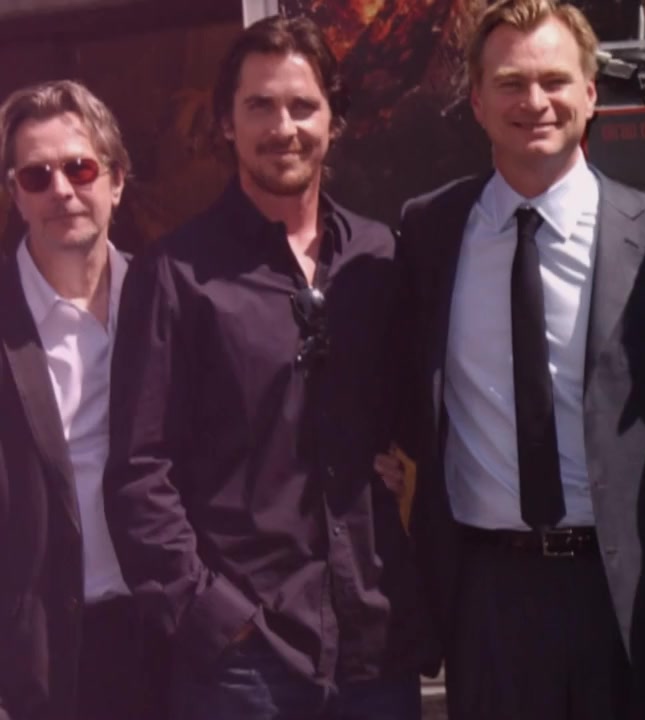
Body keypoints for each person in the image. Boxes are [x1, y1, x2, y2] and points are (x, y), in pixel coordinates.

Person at [394, 1, 645, 717]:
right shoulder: (427, 234)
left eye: (554, 80)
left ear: (591, 92)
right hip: (487, 598)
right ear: (477, 102)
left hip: (632, 598)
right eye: (510, 83)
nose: (535, 101)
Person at [103, 16, 429, 719]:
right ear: (226, 122)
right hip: (245, 666)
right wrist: (210, 614)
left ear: (334, 119)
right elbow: (138, 471)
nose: (284, 127)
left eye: (303, 105)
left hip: (376, 646)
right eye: (260, 106)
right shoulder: (175, 275)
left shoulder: (380, 258)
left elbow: (422, 415)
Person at [0, 79, 163, 720]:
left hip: (169, 640)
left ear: (117, 180)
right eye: (36, 176)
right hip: (36, 664)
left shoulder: (169, 300)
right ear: (15, 195)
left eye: (81, 168)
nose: (61, 190)